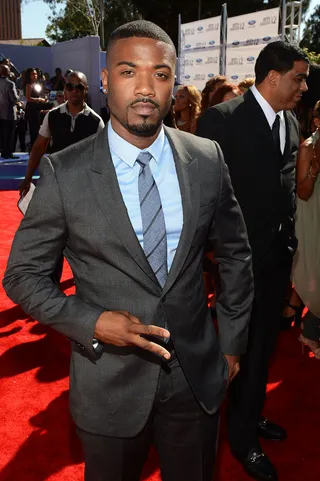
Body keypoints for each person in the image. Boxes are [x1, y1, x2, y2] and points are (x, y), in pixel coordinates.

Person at [3, 20, 254, 481]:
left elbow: (236, 255)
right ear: (103, 79)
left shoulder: (206, 158)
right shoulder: (65, 173)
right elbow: (22, 276)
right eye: (127, 71)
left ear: (173, 81)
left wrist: (233, 343)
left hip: (196, 377)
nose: (145, 87)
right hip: (108, 384)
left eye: (159, 74)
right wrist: (91, 321)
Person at [196, 41, 309, 481]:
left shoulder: (292, 122)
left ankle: (250, 413)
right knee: (239, 348)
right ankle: (241, 439)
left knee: (265, 349)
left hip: (278, 258)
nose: (304, 87)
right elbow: (201, 193)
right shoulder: (221, 121)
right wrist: (212, 253)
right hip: (237, 262)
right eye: (298, 78)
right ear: (273, 76)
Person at [19, 71, 104, 196]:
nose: (74, 91)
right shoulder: (52, 116)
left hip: (83, 188)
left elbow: (102, 158)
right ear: (65, 90)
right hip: (55, 184)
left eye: (79, 87)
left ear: (86, 90)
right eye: (70, 87)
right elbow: (38, 148)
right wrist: (28, 178)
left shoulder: (96, 121)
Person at [291, 100, 320, 358]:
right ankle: (310, 332)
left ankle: (310, 331)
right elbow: (303, 192)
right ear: (317, 122)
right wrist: (315, 167)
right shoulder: (307, 148)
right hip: (314, 219)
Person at [24, 68, 47, 149]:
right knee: (33, 129)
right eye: (33, 74)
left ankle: (36, 147)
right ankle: (33, 148)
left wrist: (42, 99)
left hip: (37, 108)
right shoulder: (29, 85)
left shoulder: (36, 84)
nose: (35, 76)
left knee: (37, 129)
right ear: (29, 76)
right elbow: (28, 98)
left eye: (36, 74)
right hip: (31, 109)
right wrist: (39, 99)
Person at [0, 64, 19, 159]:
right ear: (7, 72)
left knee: (2, 134)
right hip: (9, 112)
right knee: (10, 134)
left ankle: (3, 151)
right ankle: (8, 152)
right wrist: (18, 97)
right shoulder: (10, 83)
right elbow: (14, 98)